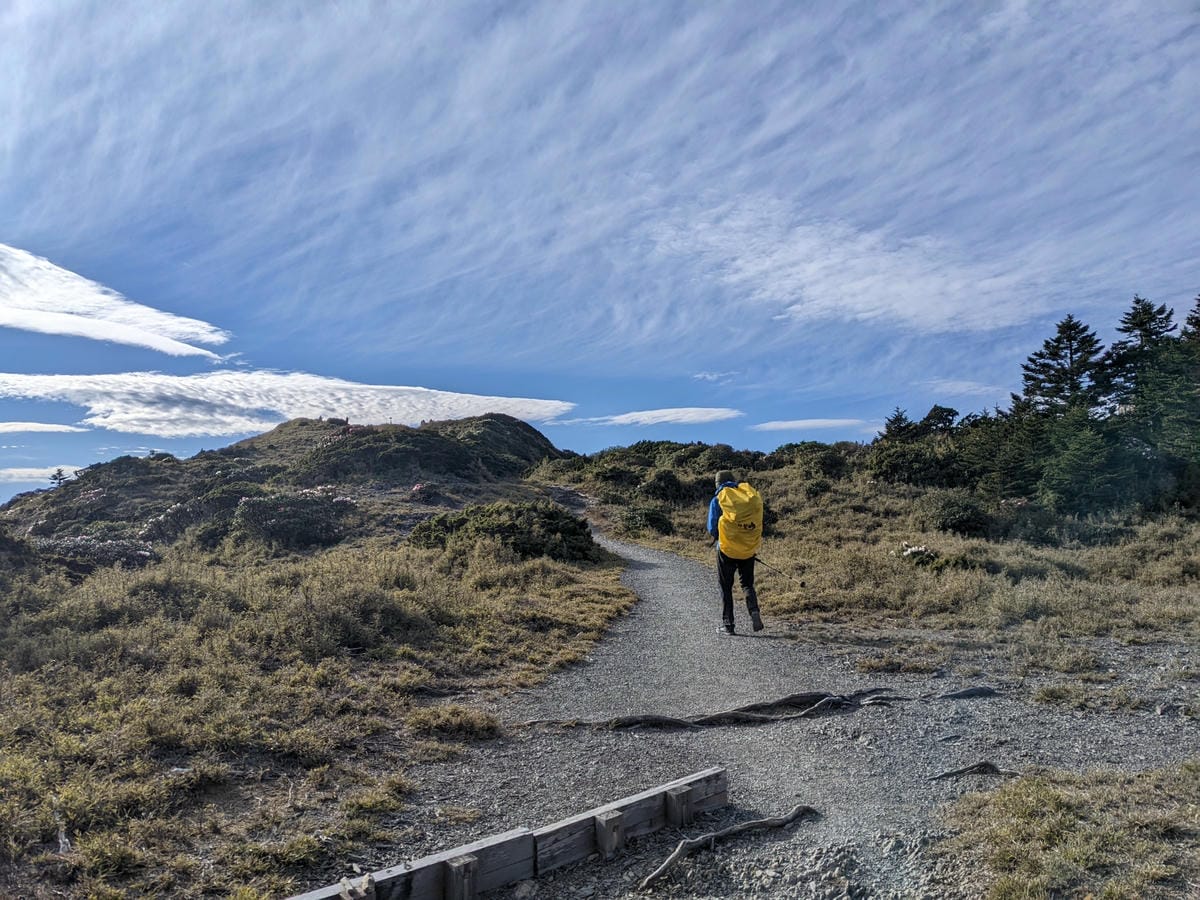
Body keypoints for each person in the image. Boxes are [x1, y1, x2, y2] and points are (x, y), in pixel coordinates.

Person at [707, 470, 764, 634]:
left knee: (725, 587)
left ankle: (728, 625)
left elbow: (712, 527)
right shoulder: (748, 497)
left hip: (726, 550)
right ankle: (754, 611)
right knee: (747, 584)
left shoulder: (718, 499)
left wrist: (720, 536)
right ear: (733, 481)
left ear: (717, 484)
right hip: (747, 549)